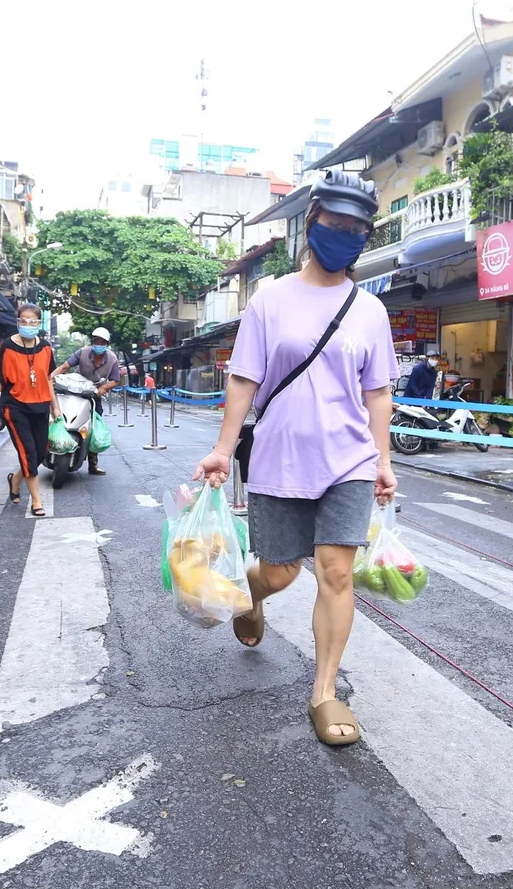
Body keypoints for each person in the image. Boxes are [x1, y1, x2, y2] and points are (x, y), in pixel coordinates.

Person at [194, 170, 398, 748]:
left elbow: (378, 391)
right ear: (311, 224)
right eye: (336, 223)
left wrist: (382, 459)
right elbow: (244, 378)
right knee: (281, 570)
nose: (346, 234)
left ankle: (324, 691)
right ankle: (252, 597)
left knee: (336, 572)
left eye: (358, 228)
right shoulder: (271, 298)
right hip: (280, 457)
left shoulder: (369, 310)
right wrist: (222, 449)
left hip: (349, 461)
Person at [0, 304, 61, 517]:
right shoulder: (7, 346)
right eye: (24, 321)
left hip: (40, 407)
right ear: (18, 322)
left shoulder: (46, 348)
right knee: (28, 453)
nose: (28, 325)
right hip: (15, 407)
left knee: (41, 453)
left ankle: (15, 479)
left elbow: (48, 380)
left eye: (33, 321)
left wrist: (55, 407)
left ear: (39, 324)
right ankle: (36, 501)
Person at [50, 326, 120, 475]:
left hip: (93, 395)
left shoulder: (112, 359)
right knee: (57, 414)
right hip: (75, 391)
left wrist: (104, 388)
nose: (99, 344)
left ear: (107, 344)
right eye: (96, 341)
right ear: (92, 342)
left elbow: (115, 380)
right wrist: (50, 378)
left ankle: (93, 464)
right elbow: (64, 367)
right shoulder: (82, 353)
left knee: (94, 426)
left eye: (103, 342)